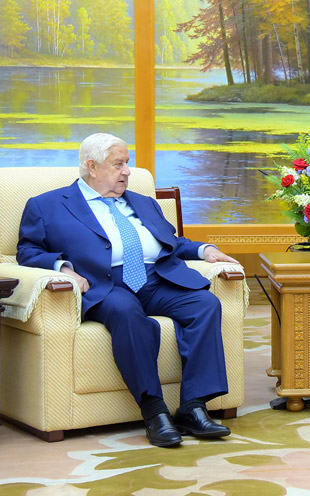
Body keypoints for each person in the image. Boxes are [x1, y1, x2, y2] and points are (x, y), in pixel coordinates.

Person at [17, 133, 239, 447]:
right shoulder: (47, 205)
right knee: (126, 311)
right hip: (104, 283)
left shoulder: (144, 203)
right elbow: (27, 251)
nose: (127, 171)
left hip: (156, 279)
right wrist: (63, 268)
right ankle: (154, 411)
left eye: (127, 163)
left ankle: (193, 407)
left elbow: (172, 243)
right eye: (118, 164)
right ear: (92, 167)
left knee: (204, 303)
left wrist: (205, 250)